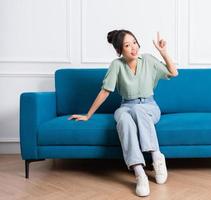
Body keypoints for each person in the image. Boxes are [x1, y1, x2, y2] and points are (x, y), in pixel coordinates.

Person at [68, 29, 178, 197]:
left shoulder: (148, 60)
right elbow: (105, 91)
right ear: (120, 50)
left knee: (139, 109)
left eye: (134, 42)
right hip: (126, 106)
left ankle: (157, 157)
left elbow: (173, 73)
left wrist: (163, 52)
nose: (133, 47)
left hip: (148, 106)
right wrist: (88, 115)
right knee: (123, 118)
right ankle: (139, 173)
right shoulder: (116, 65)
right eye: (127, 45)